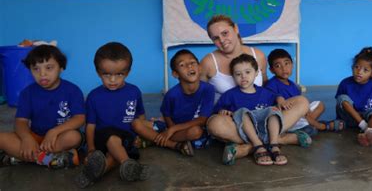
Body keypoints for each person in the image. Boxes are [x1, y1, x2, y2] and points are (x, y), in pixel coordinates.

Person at [200, 15, 309, 163]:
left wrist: (279, 99)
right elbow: (200, 96)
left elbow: (266, 88)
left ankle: (248, 147)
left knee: (302, 101)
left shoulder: (258, 56)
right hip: (233, 121)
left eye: (225, 33)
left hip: (263, 115)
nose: (222, 40)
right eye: (215, 38)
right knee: (214, 124)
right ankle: (276, 140)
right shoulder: (208, 62)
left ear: (236, 29)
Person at [75, 42, 148, 188]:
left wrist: (139, 136)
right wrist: (90, 148)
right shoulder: (94, 96)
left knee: (113, 156)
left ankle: (92, 175)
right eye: (106, 74)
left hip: (126, 140)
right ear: (98, 72)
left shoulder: (134, 92)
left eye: (119, 74)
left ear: (127, 72)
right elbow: (90, 126)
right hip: (102, 139)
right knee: (113, 138)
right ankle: (128, 163)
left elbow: (140, 117)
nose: (112, 80)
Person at [0, 45, 84, 168]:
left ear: (61, 67)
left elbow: (80, 118)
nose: (42, 74)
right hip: (35, 137)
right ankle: (51, 160)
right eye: (36, 69)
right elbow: (20, 121)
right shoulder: (27, 93)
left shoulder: (73, 90)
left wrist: (54, 131)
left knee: (74, 137)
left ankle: (21, 158)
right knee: (1, 138)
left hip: (59, 138)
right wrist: (26, 138)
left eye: (49, 68)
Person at [132, 49, 215, 156]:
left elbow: (202, 120)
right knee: (136, 123)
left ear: (199, 68)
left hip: (189, 130)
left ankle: (153, 138)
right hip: (169, 127)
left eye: (192, 63)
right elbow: (167, 115)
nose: (189, 66)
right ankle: (162, 139)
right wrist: (170, 128)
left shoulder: (208, 89)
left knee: (196, 132)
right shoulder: (171, 94)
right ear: (175, 74)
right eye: (182, 65)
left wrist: (172, 130)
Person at [214, 54, 287, 166]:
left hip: (265, 130)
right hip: (245, 132)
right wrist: (224, 112)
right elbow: (218, 111)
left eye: (248, 72)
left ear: (256, 73)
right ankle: (258, 146)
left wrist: (280, 99)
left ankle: (274, 145)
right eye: (238, 74)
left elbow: (276, 97)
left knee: (273, 111)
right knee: (242, 111)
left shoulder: (264, 92)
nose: (243, 76)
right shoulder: (230, 95)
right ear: (233, 76)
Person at [265, 49, 345, 136]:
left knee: (320, 104)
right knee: (305, 121)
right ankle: (322, 126)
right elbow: (272, 98)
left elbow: (300, 102)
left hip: (300, 115)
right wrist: (280, 100)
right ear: (272, 70)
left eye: (286, 63)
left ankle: (307, 124)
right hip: (287, 115)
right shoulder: (272, 83)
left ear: (292, 65)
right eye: (278, 66)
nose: (284, 68)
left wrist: (305, 110)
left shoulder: (293, 85)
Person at [335, 47, 372, 147]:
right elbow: (339, 104)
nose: (359, 72)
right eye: (357, 67)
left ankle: (370, 132)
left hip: (368, 118)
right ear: (352, 67)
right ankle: (365, 128)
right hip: (350, 119)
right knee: (342, 98)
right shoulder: (345, 83)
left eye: (365, 70)